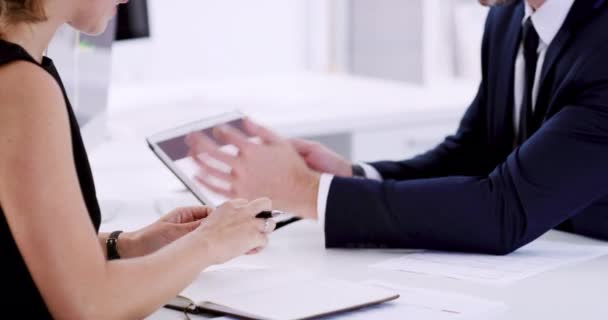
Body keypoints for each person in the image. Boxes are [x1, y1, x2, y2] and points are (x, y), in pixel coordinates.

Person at [187, 0, 608, 255]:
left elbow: (503, 211)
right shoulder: (507, 18)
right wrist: (352, 176)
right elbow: (474, 151)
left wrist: (305, 191)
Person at [0, 0, 276, 318]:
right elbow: (89, 306)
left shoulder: (24, 70)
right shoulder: (21, 86)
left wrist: (132, 245)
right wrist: (210, 242)